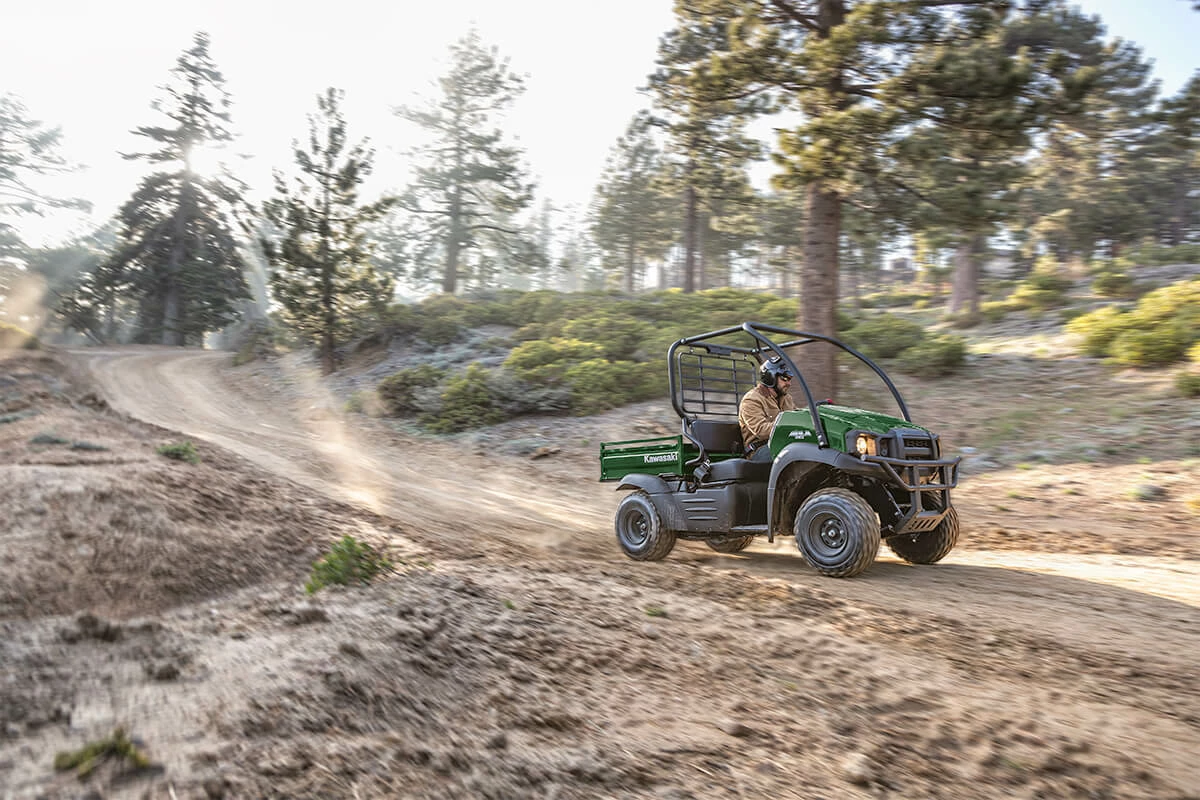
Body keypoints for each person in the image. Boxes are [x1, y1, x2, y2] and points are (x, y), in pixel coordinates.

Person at [738, 356, 797, 461]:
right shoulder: (751, 400)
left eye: (789, 379)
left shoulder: (787, 398)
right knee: (794, 452)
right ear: (771, 377)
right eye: (784, 379)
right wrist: (790, 426)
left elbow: (797, 416)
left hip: (784, 443)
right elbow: (761, 430)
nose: (789, 383)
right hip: (760, 449)